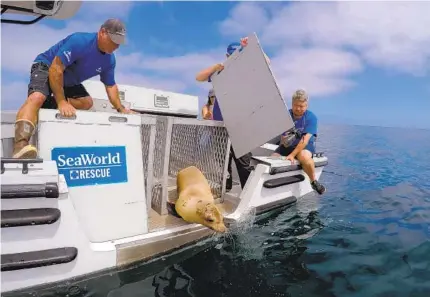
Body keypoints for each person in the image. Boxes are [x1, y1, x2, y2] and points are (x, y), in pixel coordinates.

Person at [12, 18, 134, 159]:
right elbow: (56, 69)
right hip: (47, 66)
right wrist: (61, 101)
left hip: (68, 79)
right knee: (37, 97)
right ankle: (20, 146)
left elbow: (111, 86)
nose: (116, 46)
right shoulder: (80, 41)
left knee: (87, 102)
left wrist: (121, 109)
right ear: (102, 32)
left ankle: (47, 104)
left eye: (119, 43)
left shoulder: (110, 60)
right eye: (113, 40)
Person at [195, 39, 260, 190]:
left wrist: (251, 47)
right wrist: (215, 67)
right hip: (220, 126)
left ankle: (247, 192)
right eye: (232, 55)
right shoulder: (219, 73)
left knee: (244, 162)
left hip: (240, 125)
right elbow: (199, 77)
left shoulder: (247, 72)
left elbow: (266, 63)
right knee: (223, 161)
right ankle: (227, 187)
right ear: (226, 55)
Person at [272, 89, 326, 195]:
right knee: (272, 159)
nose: (298, 108)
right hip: (288, 145)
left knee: (304, 156)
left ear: (306, 106)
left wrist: (292, 155)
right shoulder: (287, 115)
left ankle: (313, 181)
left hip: (304, 146)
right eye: (295, 105)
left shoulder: (311, 118)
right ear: (292, 103)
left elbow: (304, 140)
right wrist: (283, 139)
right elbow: (282, 133)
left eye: (301, 106)